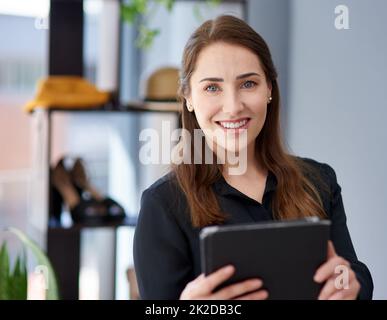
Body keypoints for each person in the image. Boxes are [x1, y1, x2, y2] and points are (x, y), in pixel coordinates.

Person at [133, 15, 373, 300]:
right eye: (212, 87)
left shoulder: (319, 181)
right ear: (188, 97)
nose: (233, 107)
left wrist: (350, 283)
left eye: (248, 84)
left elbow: (353, 273)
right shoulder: (163, 205)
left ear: (269, 89)